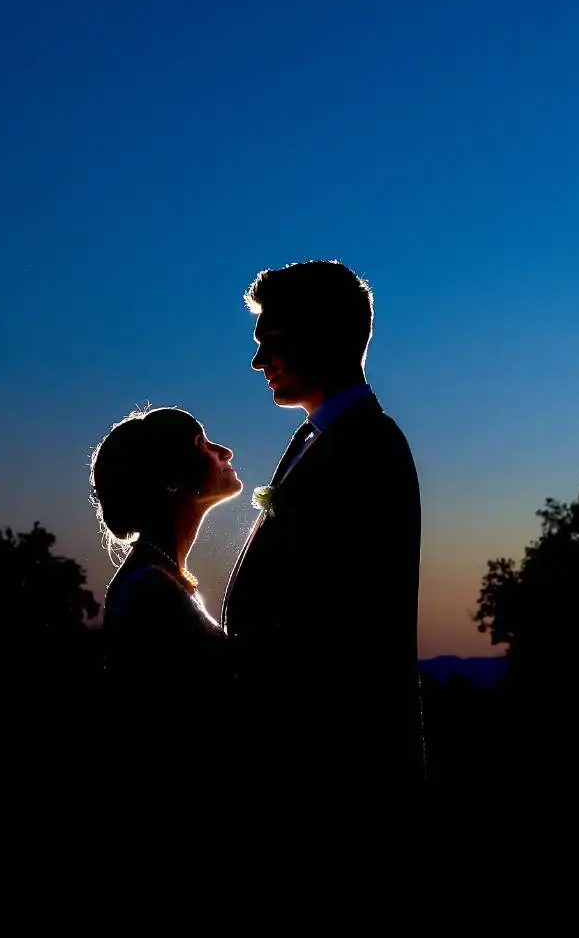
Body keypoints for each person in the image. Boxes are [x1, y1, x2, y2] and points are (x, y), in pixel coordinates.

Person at [223, 259, 424, 799]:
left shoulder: (369, 448)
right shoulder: (312, 440)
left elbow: (344, 624)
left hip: (336, 767)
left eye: (273, 341)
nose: (257, 360)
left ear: (325, 336)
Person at [90, 406, 239, 673]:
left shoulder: (160, 574)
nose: (225, 452)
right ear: (171, 478)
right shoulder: (149, 588)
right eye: (201, 443)